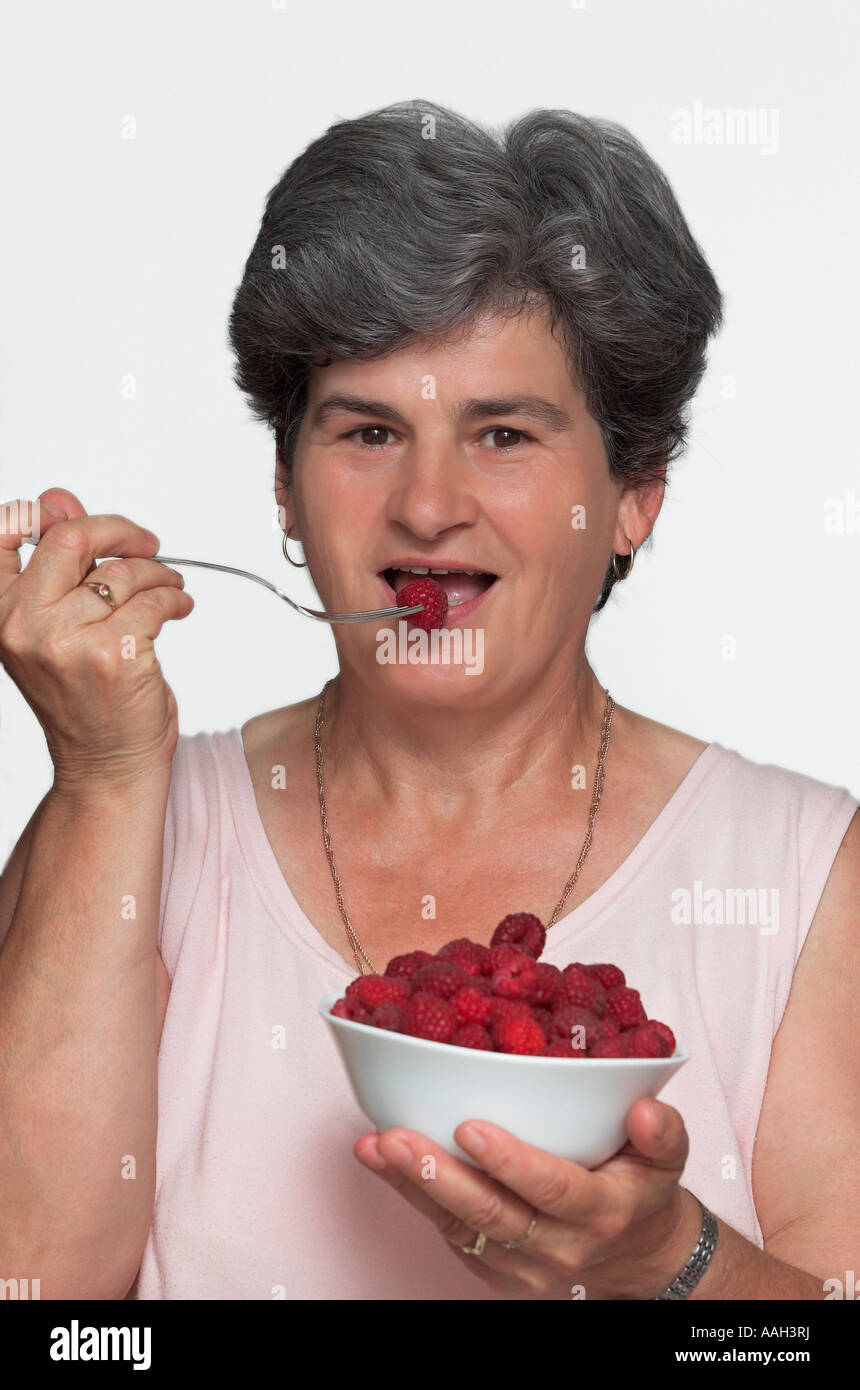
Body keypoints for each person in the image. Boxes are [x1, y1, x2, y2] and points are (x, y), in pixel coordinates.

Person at [0, 101, 856, 1302]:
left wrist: (669, 1267)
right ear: (286, 493)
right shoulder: (138, 822)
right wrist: (101, 775)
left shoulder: (801, 876)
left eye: (502, 433)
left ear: (631, 494)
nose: (425, 504)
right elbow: (37, 1300)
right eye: (366, 431)